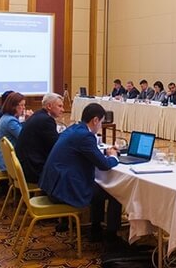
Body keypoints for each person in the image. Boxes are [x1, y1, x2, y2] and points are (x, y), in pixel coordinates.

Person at [40, 103, 122, 243]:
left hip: (53, 184)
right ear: (95, 120)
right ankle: (111, 238)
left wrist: (103, 153)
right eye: (101, 122)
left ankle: (96, 229)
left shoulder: (74, 129)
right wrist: (113, 156)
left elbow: (83, 152)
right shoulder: (86, 136)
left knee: (98, 188)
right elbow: (104, 165)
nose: (100, 126)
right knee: (115, 193)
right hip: (63, 190)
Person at [16, 93, 63, 184]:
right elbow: (56, 146)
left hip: (25, 165)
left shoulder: (38, 115)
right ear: (49, 106)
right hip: (33, 169)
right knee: (69, 169)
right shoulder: (46, 120)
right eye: (60, 106)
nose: (63, 110)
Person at [0, 92, 33, 171]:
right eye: (22, 105)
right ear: (13, 106)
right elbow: (24, 138)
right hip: (4, 162)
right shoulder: (10, 121)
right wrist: (30, 121)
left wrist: (26, 121)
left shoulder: (6, 117)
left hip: (1, 158)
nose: (24, 108)